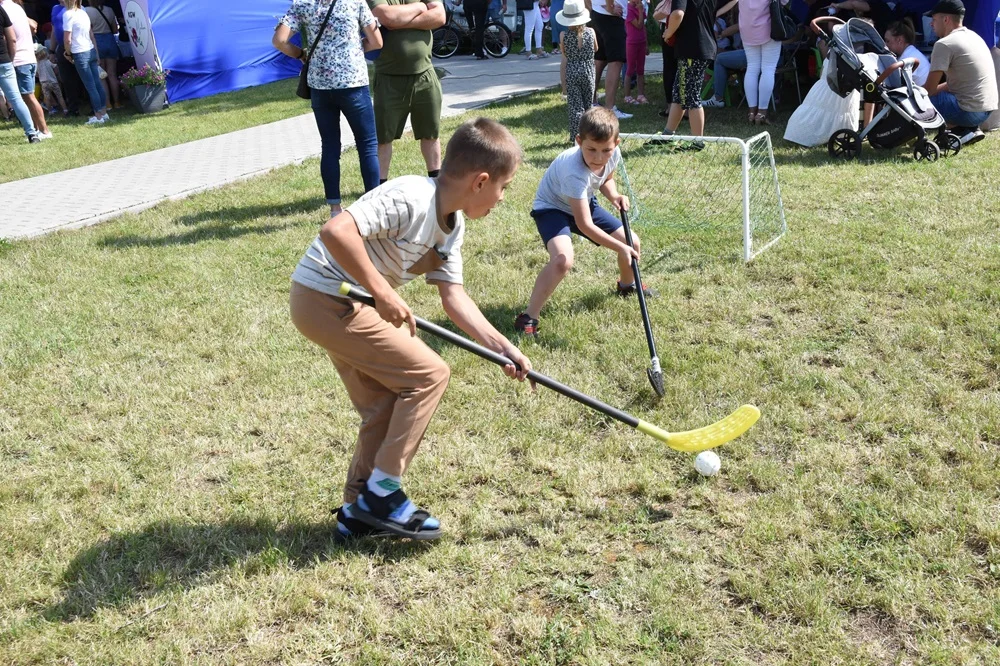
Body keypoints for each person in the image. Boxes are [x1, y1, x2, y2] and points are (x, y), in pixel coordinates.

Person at [289, 118, 532, 541]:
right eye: (503, 187)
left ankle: (356, 512)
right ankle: (383, 493)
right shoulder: (411, 196)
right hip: (327, 297)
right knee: (429, 375)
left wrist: (502, 348)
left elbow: (454, 298)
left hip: (342, 304)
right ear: (480, 181)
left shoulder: (451, 227)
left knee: (386, 402)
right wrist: (382, 291)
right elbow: (336, 230)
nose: (502, 198)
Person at [514, 107, 652, 337]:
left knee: (633, 242)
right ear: (579, 141)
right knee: (562, 260)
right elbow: (586, 225)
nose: (599, 158)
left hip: (583, 201)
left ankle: (627, 286)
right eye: (591, 150)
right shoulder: (573, 171)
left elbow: (605, 178)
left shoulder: (613, 154)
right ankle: (528, 316)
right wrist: (620, 247)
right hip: (552, 209)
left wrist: (615, 195)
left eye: (605, 150)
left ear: (616, 143)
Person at [274, 0, 383, 218]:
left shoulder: (302, 3)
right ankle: (372, 206)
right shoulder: (355, 2)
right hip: (353, 82)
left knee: (330, 146)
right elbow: (377, 42)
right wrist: (357, 47)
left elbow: (279, 40)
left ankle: (335, 209)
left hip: (320, 86)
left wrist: (300, 54)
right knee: (367, 144)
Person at [367, 0, 446, 183]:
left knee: (430, 133)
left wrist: (399, 22)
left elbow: (440, 16)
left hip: (425, 75)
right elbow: (387, 17)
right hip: (388, 78)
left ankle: (436, 181)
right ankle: (379, 186)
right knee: (383, 137)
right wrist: (420, 8)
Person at [923, 0, 997, 145]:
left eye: (934, 19)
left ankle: (905, 137)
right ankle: (966, 131)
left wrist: (915, 94)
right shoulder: (974, 37)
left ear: (946, 19)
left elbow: (929, 91)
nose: (931, 24)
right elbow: (954, 84)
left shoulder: (944, 44)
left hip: (969, 112)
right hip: (988, 110)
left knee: (918, 103)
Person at [659, 0, 716, 138]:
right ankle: (667, 135)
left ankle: (697, 141)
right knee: (679, 93)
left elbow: (677, 14)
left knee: (692, 97)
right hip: (701, 47)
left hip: (692, 49)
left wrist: (669, 32)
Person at [1, 0, 51, 139]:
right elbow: (34, 25)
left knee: (28, 97)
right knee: (27, 97)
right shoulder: (17, 7)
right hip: (28, 56)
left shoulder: (5, 9)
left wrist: (11, 58)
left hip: (19, 59)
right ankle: (36, 130)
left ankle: (44, 131)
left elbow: (10, 39)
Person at [62, 0, 109, 124]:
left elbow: (67, 40)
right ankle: (104, 113)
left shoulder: (67, 14)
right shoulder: (83, 12)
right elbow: (91, 35)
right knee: (97, 84)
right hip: (90, 49)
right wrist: (96, 53)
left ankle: (98, 116)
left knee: (90, 86)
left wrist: (68, 53)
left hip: (79, 52)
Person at [557, 0, 595, 140]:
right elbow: (595, 49)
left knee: (575, 106)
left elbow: (564, 54)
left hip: (572, 70)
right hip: (588, 70)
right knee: (588, 105)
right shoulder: (591, 32)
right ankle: (590, 134)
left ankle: (575, 136)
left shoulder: (563, 35)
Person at [592, 0, 632, 119]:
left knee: (600, 59)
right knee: (615, 61)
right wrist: (610, 7)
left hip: (599, 12)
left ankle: (591, 101)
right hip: (611, 15)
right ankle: (610, 108)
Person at [84, 0, 120, 109]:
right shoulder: (109, 10)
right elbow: (115, 29)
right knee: (112, 74)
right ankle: (117, 102)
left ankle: (107, 103)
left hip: (97, 41)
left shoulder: (86, 11)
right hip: (110, 40)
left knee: (101, 76)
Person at [50, 0, 80, 116]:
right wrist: (52, 51)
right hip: (62, 48)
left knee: (83, 77)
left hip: (77, 46)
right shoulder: (55, 8)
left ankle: (95, 107)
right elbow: (54, 30)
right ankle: (73, 109)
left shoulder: (77, 7)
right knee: (67, 79)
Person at [884, 18, 929, 85]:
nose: (885, 45)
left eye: (888, 41)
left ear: (899, 40)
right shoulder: (911, 52)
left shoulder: (907, 58)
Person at [652, 0, 676, 117]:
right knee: (674, 67)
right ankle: (675, 106)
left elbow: (658, 14)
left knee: (670, 67)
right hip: (673, 26)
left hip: (671, 27)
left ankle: (672, 106)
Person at [622, 0, 647, 104]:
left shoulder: (639, 7)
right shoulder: (628, 9)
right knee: (630, 68)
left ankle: (640, 95)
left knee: (641, 69)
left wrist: (647, 43)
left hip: (642, 41)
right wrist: (640, 11)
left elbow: (644, 27)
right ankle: (627, 95)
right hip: (632, 43)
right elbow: (639, 25)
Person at [36, 45, 68, 116]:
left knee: (47, 98)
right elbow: (56, 69)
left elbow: (37, 74)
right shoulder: (48, 62)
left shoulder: (37, 65)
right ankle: (65, 109)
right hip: (53, 81)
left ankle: (50, 111)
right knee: (59, 96)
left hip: (44, 83)